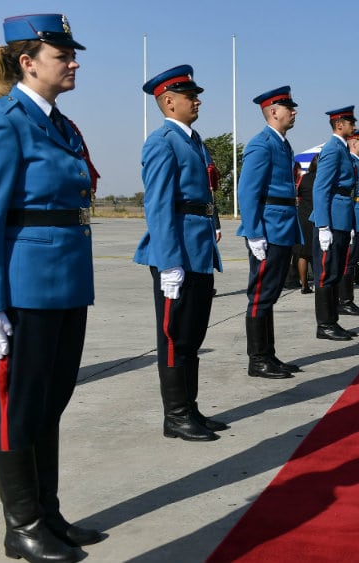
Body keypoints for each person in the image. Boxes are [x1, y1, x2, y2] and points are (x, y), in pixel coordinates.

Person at [0, 13, 106, 561]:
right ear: (28, 62)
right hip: (23, 291)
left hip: (66, 285)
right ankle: (22, 525)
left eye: (72, 55)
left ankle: (48, 514)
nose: (73, 63)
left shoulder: (60, 123)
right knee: (18, 410)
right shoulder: (2, 123)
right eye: (63, 55)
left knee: (50, 405)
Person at [135, 64, 226, 443]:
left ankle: (190, 407)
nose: (197, 101)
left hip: (199, 249)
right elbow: (158, 206)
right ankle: (175, 415)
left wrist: (213, 221)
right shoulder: (162, 142)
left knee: (192, 336)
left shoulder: (195, 141)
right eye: (190, 96)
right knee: (174, 336)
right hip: (178, 254)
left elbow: (204, 193)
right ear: (169, 102)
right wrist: (169, 262)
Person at [236, 85, 303, 380]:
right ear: (273, 111)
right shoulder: (261, 144)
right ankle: (258, 359)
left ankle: (269, 354)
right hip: (268, 228)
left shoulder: (282, 144)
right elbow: (248, 191)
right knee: (261, 295)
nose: (294, 112)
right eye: (289, 107)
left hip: (283, 226)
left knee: (271, 294)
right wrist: (254, 233)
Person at [310, 106, 358, 341]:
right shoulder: (332, 148)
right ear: (339, 124)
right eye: (351, 122)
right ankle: (325, 324)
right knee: (326, 273)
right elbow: (321, 188)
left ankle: (332, 321)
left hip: (341, 217)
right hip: (331, 218)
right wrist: (323, 225)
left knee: (336, 271)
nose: (354, 126)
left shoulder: (342, 148)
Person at [339, 128, 359, 316]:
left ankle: (346, 300)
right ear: (353, 143)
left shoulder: (358, 163)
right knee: (348, 261)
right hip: (354, 214)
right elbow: (349, 193)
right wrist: (349, 223)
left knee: (353, 258)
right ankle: (345, 301)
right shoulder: (351, 163)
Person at [294, 155, 318, 294]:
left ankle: (304, 285)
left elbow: (297, 194)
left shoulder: (303, 178)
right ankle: (319, 283)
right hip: (317, 217)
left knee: (303, 254)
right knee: (317, 253)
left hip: (303, 217)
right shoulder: (324, 178)